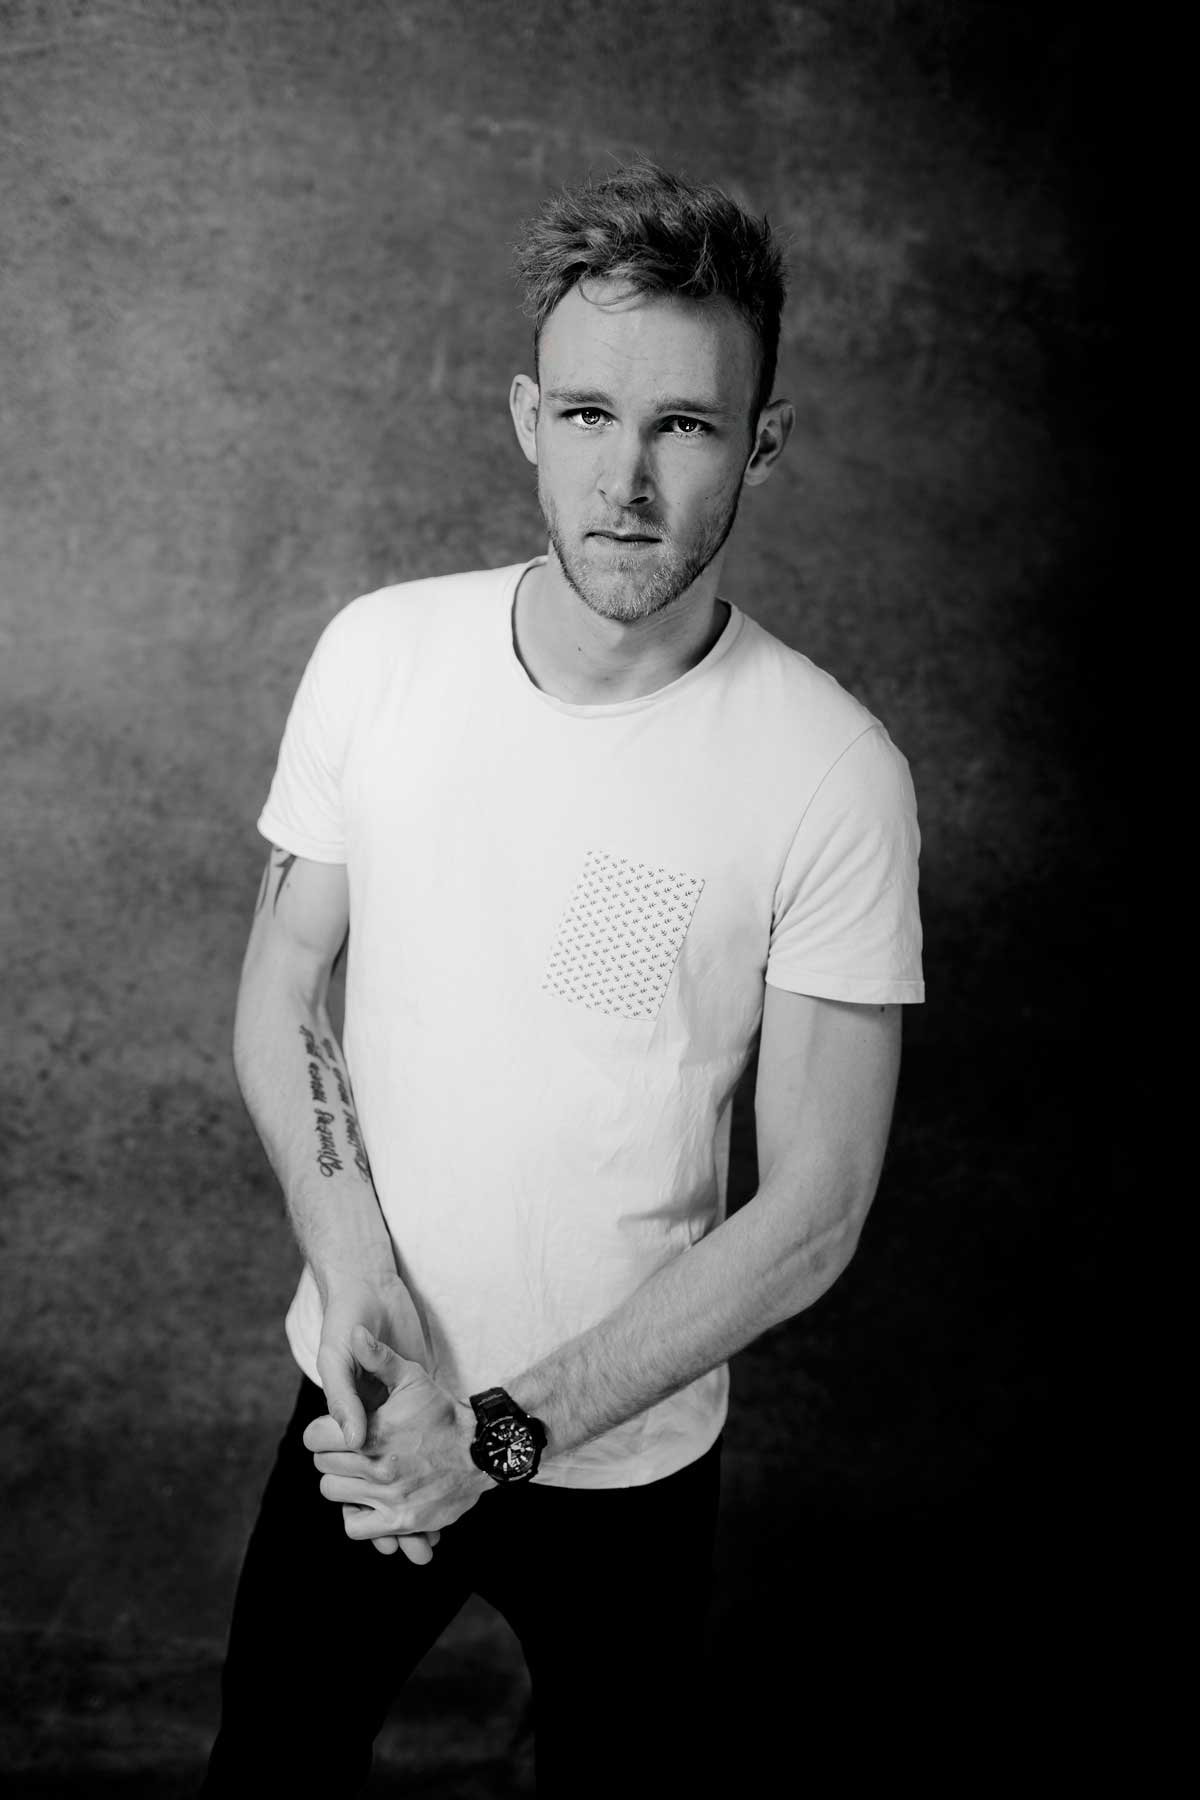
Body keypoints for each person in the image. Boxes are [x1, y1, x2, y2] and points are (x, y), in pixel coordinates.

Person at [201, 160, 924, 1798]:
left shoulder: (829, 772)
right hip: (368, 1401)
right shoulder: (383, 657)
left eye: (685, 426)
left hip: (622, 1456)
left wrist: (501, 1438)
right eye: (590, 414)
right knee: (268, 1778)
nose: (628, 479)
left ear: (762, 444)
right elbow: (286, 981)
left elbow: (818, 1208)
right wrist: (353, 1275)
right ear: (529, 416)